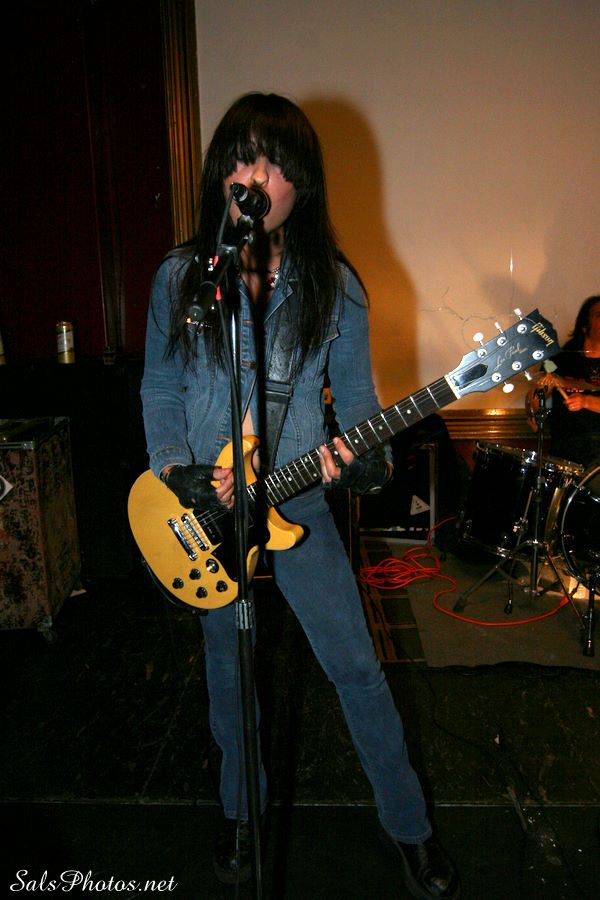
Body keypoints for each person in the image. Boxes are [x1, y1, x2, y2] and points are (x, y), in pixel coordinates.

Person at [140, 92, 459, 899]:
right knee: (229, 672)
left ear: (301, 186)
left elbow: (358, 405)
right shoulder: (181, 277)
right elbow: (160, 389)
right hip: (210, 512)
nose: (253, 178)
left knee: (357, 667)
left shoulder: (335, 287)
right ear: (219, 172)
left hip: (301, 505)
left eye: (274, 165)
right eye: (240, 158)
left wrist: (367, 462)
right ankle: (240, 812)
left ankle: (409, 827)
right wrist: (176, 471)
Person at [526, 295, 600, 468]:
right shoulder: (559, 360)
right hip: (565, 453)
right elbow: (537, 397)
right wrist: (534, 406)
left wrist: (586, 401)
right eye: (599, 315)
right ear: (584, 325)